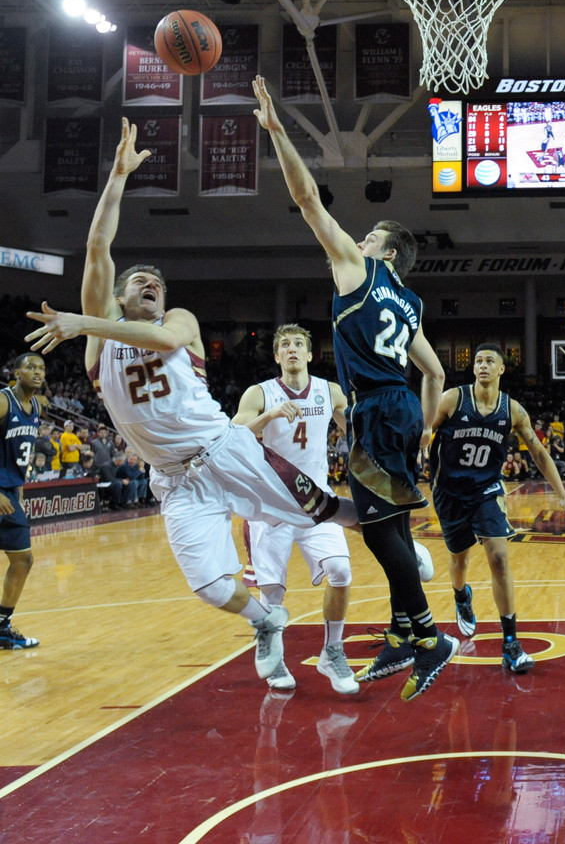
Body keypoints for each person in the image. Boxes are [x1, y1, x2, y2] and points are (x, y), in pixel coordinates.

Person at [25, 117, 357, 685]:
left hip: (225, 450)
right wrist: (117, 176)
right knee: (209, 586)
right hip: (175, 479)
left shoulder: (177, 320)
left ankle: (403, 551)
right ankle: (266, 621)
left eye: (156, 282)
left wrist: (82, 322)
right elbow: (98, 246)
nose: (151, 285)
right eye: (139, 282)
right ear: (117, 297)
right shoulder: (102, 338)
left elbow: (165, 341)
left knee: (328, 512)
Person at [252, 75, 457, 702]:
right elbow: (436, 373)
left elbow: (307, 199)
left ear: (386, 254)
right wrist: (426, 430)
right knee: (392, 523)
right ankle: (400, 633)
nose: (358, 240)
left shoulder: (363, 270)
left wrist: (278, 131)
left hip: (376, 407)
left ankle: (429, 637)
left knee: (376, 529)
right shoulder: (412, 303)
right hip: (400, 406)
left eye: (369, 238)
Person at [429, 344, 565, 673]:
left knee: (498, 557)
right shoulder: (453, 399)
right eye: (478, 361)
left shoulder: (512, 410)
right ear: (474, 369)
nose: (482, 365)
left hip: (487, 488)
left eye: (489, 361)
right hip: (449, 491)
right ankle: (461, 595)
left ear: (501, 369)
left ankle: (511, 643)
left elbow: (538, 452)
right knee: (459, 560)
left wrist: (562, 494)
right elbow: (426, 430)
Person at [234, 323, 359, 695]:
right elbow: (232, 437)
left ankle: (332, 652)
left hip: (316, 502)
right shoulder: (260, 393)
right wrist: (269, 417)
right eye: (285, 344)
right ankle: (273, 655)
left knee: (341, 571)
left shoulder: (328, 390)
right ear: (277, 356)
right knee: (272, 591)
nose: (292, 349)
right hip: (271, 505)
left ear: (309, 354)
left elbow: (357, 432)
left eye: (299, 344)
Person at [0, 352, 46, 649]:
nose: (38, 372)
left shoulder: (36, 406)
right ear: (16, 373)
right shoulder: (4, 401)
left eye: (42, 368)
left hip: (9, 492)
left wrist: (18, 491)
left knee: (23, 560)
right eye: (30, 367)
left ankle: (2, 627)